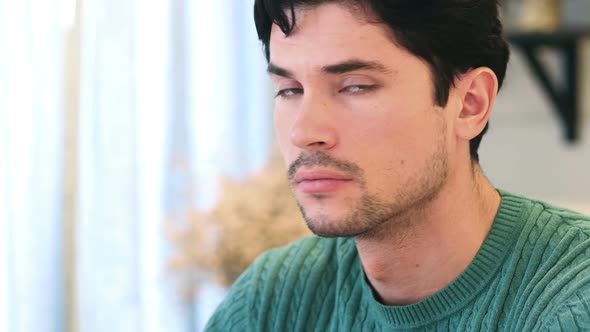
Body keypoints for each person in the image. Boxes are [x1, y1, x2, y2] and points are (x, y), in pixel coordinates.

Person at [206, 0, 590, 330]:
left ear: (470, 104)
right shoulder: (271, 304)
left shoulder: (572, 305)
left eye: (355, 86)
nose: (304, 132)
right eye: (290, 90)